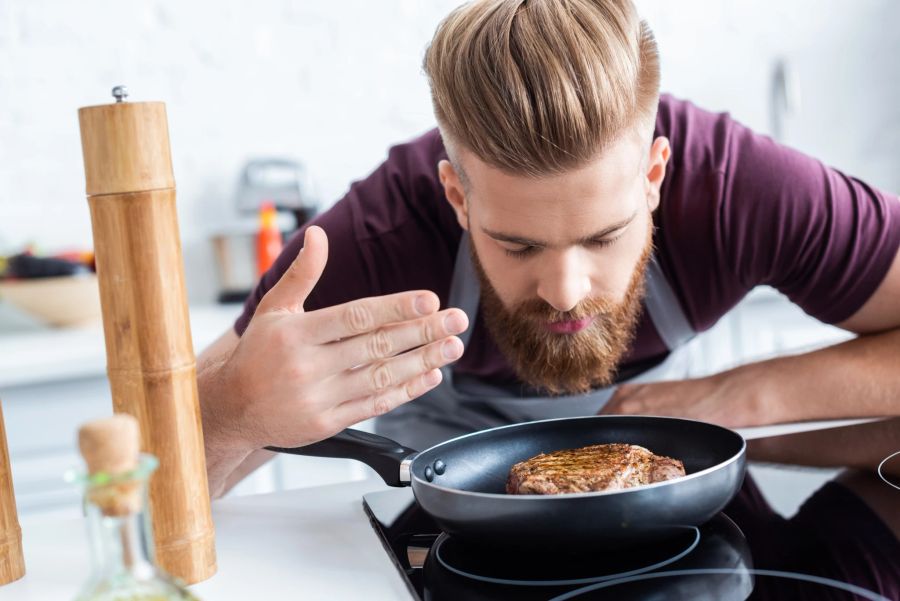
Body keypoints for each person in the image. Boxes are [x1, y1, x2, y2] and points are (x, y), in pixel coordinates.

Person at [197, 0, 900, 498]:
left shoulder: (738, 190)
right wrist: (232, 412)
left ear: (654, 175)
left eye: (603, 237)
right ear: (457, 197)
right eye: (518, 243)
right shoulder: (380, 238)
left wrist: (731, 395)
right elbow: (145, 475)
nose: (564, 289)